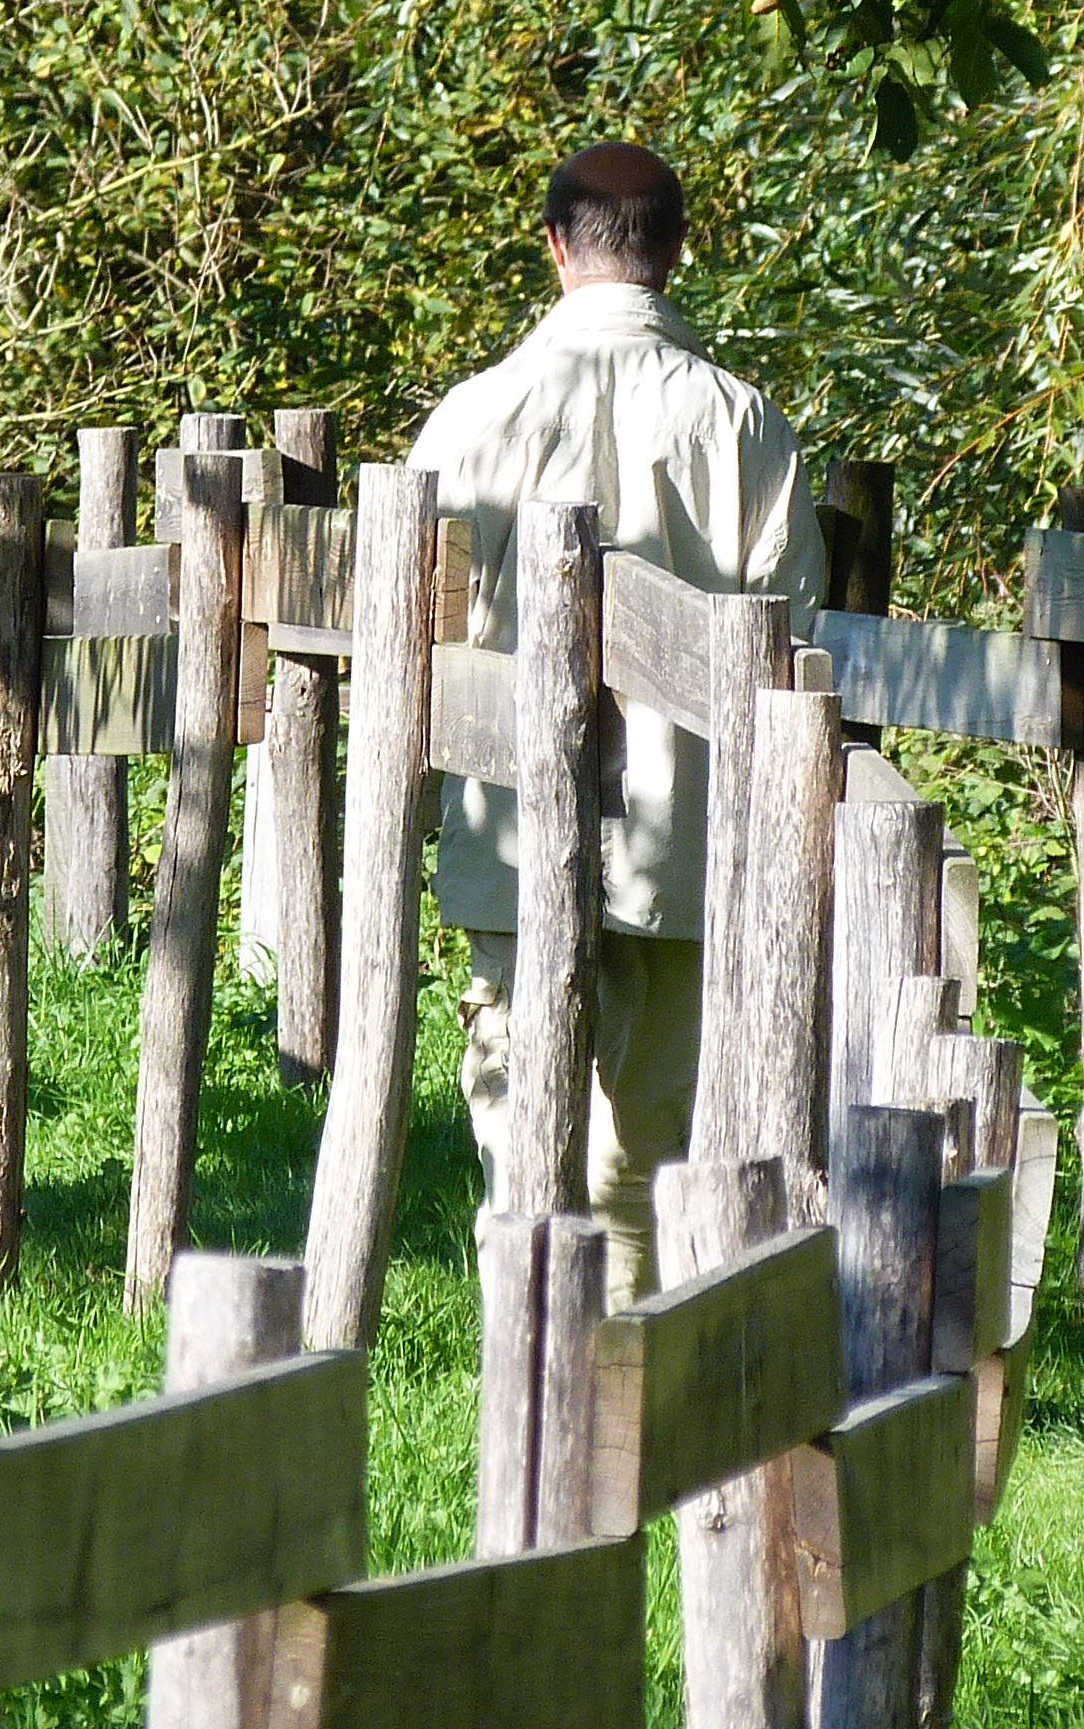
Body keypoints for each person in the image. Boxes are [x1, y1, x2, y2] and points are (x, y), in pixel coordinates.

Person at [409, 141, 821, 1304]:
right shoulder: (745, 428)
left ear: (553, 248)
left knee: (521, 1139)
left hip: (510, 842)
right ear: (677, 251)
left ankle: (531, 1374)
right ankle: (627, 1387)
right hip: (692, 849)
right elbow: (798, 645)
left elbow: (417, 643)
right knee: (651, 1146)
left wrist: (428, 814)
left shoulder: (470, 418)